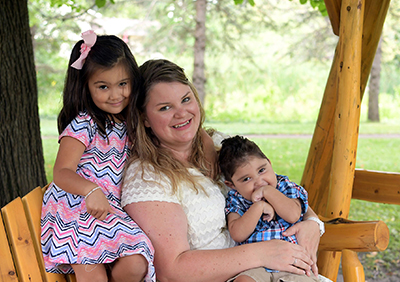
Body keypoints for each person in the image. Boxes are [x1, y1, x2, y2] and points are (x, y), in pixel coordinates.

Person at [121, 59, 326, 282]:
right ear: (145, 119)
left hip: (278, 271)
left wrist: (312, 224)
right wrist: (262, 253)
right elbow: (171, 271)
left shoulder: (224, 145)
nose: (181, 113)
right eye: (165, 108)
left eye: (186, 99)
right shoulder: (147, 177)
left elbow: (278, 188)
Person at [40, 30, 155, 282]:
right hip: (76, 209)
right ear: (85, 86)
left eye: (123, 84)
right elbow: (61, 172)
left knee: (137, 262)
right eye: (103, 86)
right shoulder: (85, 123)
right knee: (92, 273)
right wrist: (91, 190)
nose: (115, 95)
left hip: (106, 210)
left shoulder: (128, 122)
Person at [219, 135, 323, 282]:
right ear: (231, 184)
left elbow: (293, 215)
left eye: (262, 170)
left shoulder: (286, 187)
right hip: (255, 267)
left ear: (269, 163)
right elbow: (237, 233)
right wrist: (258, 207)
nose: (259, 182)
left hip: (294, 267)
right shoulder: (237, 200)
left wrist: (268, 191)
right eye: (246, 179)